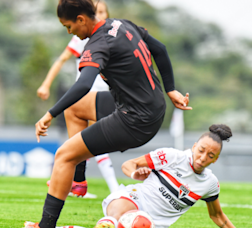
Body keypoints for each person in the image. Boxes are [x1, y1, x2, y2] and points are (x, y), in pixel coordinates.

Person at [27, 0, 192, 227]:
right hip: (151, 106)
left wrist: (49, 114)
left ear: (82, 19)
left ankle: (45, 226)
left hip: (134, 120)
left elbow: (84, 84)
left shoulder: (97, 45)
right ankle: (78, 179)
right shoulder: (121, 24)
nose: (69, 31)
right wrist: (171, 89)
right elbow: (160, 49)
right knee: (75, 109)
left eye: (68, 26)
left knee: (64, 155)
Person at [38, 0, 120, 198]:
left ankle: (77, 180)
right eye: (96, 11)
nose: (99, 14)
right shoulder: (80, 38)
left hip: (106, 96)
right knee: (86, 143)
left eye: (102, 12)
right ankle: (100, 186)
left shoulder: (112, 36)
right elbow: (61, 60)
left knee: (87, 144)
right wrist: (46, 84)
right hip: (86, 97)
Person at [94, 124, 235, 228]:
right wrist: (134, 174)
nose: (203, 158)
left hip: (154, 224)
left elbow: (216, 215)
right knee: (118, 218)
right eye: (201, 150)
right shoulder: (172, 156)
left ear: (215, 159)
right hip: (134, 199)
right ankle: (109, 222)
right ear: (194, 146)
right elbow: (129, 164)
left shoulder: (210, 184)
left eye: (210, 155)